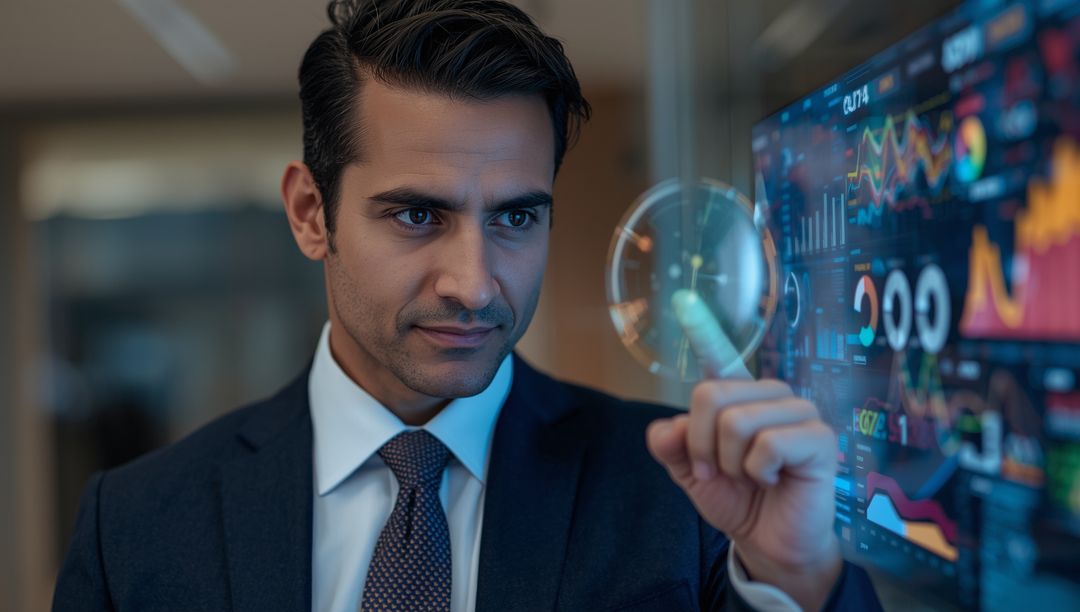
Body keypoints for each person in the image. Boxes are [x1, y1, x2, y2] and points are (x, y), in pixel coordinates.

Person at [53, 1, 881, 610]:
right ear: (310, 214)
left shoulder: (687, 501)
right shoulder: (136, 527)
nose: (475, 284)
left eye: (515, 218)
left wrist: (797, 576)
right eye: (418, 215)